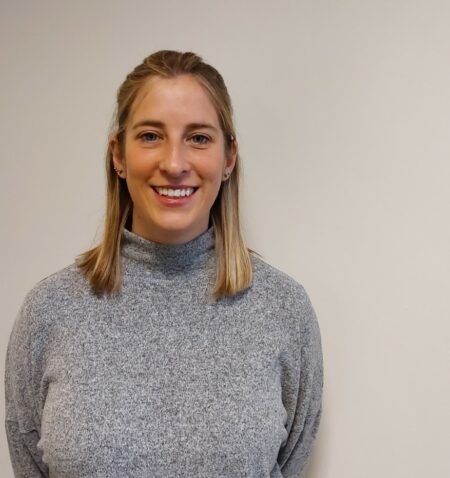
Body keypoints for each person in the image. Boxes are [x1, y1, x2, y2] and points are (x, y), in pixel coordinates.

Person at [4, 50, 323, 477]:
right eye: (151, 136)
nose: (174, 164)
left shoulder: (283, 310)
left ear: (228, 158)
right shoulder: (49, 311)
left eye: (199, 138)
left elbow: (290, 461)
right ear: (118, 155)